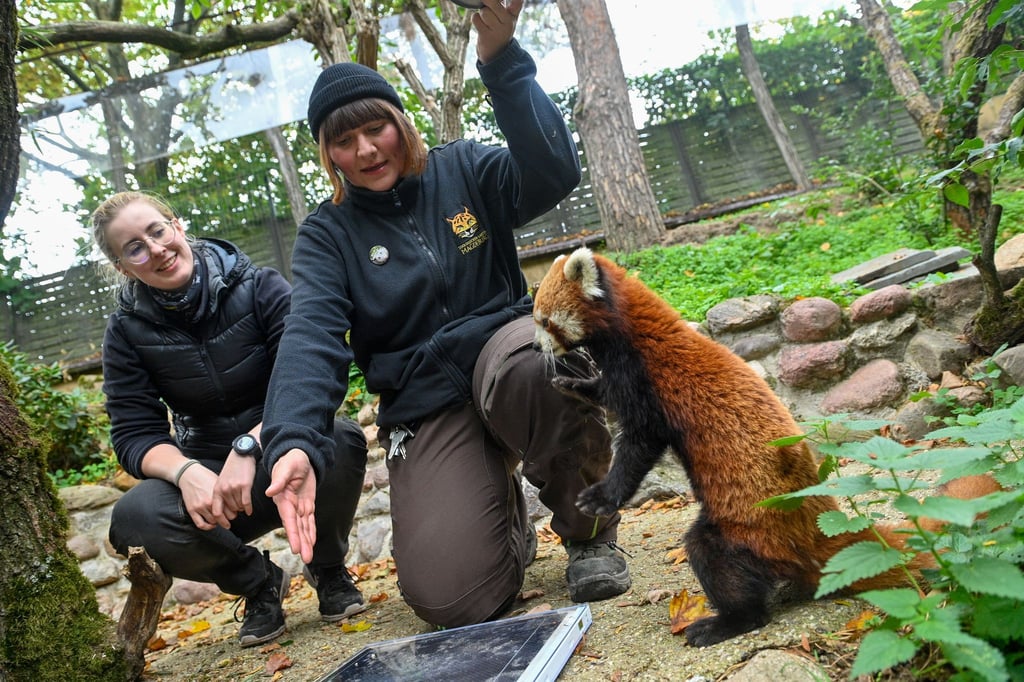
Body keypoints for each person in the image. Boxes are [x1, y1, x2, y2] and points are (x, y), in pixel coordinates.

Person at [260, 0, 631, 630]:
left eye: (374, 129)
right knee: (452, 599)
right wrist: (290, 440)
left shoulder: (465, 167)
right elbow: (312, 334)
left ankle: (589, 532)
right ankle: (504, 522)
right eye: (344, 141)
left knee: (538, 366)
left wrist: (502, 63)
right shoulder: (328, 234)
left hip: (502, 352)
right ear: (330, 156)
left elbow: (552, 172)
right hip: (426, 403)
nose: (366, 150)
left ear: (401, 124)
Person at [93, 191, 368, 647]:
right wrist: (186, 473)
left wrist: (251, 446)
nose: (155, 249)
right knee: (134, 517)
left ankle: (327, 568)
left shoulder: (260, 285)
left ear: (177, 226)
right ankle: (259, 584)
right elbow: (133, 433)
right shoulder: (124, 333)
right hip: (211, 490)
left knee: (340, 437)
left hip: (282, 453)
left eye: (157, 231)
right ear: (124, 267)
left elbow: (309, 376)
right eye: (134, 247)